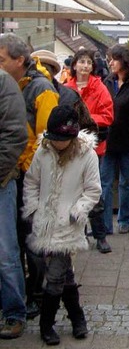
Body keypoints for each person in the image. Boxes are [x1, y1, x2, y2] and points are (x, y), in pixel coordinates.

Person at [22, 105, 101, 345]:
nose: (57, 144)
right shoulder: (43, 151)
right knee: (65, 274)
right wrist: (34, 208)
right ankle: (78, 318)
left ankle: (46, 324)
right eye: (54, 139)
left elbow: (92, 190)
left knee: (55, 274)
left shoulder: (86, 154)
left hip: (69, 222)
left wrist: (77, 211)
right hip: (45, 221)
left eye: (62, 140)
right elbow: (32, 182)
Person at [0, 34, 59, 319]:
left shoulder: (41, 88)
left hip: (31, 177)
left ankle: (36, 294)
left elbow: (45, 139)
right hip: (16, 173)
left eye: (1, 60)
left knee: (31, 240)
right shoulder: (14, 84)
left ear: (19, 60)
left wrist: (25, 168)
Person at [66, 49, 114, 254]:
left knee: (94, 189)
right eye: (81, 62)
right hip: (69, 145)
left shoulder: (99, 87)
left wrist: (86, 119)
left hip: (93, 146)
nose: (85, 66)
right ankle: (78, 233)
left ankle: (100, 235)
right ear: (74, 65)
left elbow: (108, 115)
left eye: (88, 63)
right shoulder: (66, 88)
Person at [101, 45, 129, 235]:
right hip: (108, 141)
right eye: (109, 59)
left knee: (127, 182)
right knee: (105, 182)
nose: (110, 63)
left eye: (114, 59)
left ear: (124, 61)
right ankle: (104, 223)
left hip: (128, 141)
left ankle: (125, 219)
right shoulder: (108, 81)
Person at [0, 68, 28, 340]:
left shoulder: (3, 83)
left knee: (6, 254)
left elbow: (15, 136)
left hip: (1, 182)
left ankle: (14, 313)